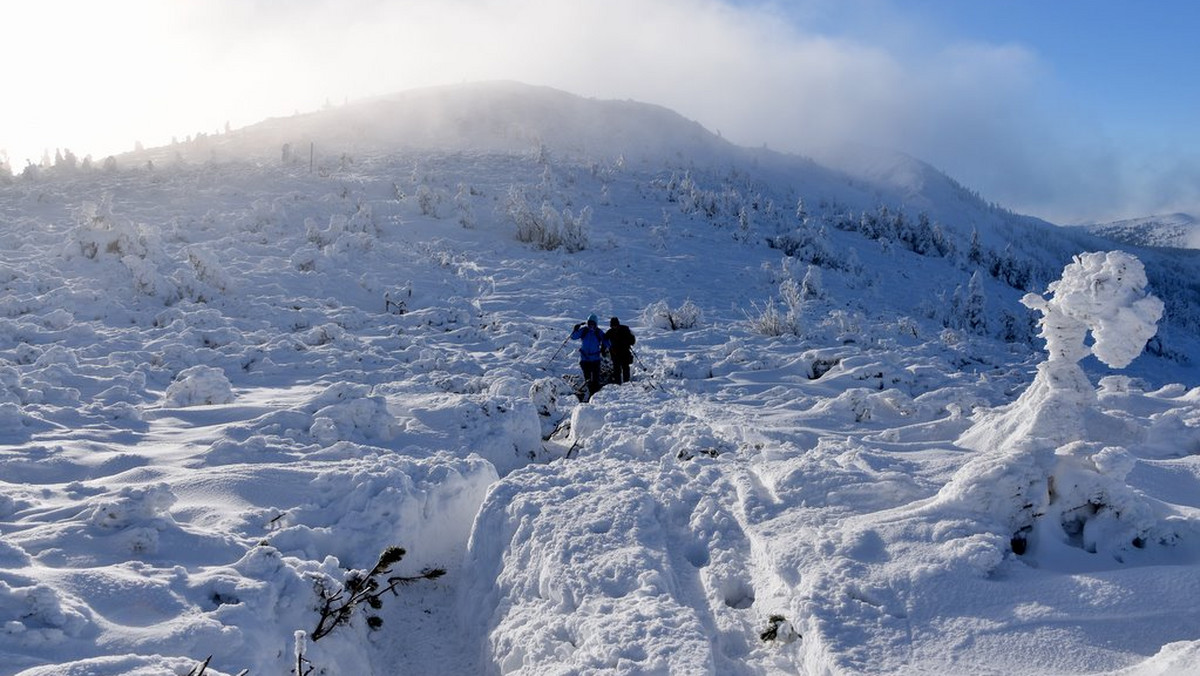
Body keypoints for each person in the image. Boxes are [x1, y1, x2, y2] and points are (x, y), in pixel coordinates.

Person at [570, 314, 610, 400]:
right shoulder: (584, 331)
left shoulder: (598, 332)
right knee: (587, 378)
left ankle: (595, 396)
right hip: (585, 360)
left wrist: (607, 338)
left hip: (595, 360)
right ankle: (590, 395)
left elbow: (608, 344)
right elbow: (573, 337)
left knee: (595, 379)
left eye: (593, 324)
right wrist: (575, 330)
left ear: (596, 324)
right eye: (589, 323)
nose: (591, 325)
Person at [606, 316, 636, 384]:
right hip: (615, 354)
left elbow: (632, 341)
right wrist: (603, 349)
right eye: (613, 326)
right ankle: (618, 384)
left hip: (625, 353)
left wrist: (626, 341)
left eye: (615, 325)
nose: (614, 327)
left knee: (625, 368)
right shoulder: (609, 332)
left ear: (618, 324)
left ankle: (627, 383)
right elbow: (604, 341)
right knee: (616, 370)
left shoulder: (625, 329)